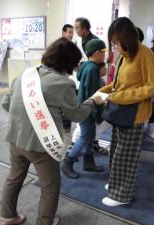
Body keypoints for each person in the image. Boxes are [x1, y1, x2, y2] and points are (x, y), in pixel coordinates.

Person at [0, 38, 104, 225]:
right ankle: (45, 222)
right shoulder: (63, 83)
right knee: (50, 185)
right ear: (68, 62)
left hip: (15, 138)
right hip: (41, 146)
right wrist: (93, 100)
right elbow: (78, 114)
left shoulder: (25, 74)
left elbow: (6, 103)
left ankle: (7, 217)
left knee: (14, 177)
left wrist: (25, 120)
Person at [99, 17, 154, 207]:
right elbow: (118, 84)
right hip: (120, 112)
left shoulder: (145, 54)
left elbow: (151, 87)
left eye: (117, 42)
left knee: (126, 157)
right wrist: (102, 91)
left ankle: (121, 195)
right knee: (116, 152)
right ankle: (116, 185)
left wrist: (118, 97)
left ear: (127, 38)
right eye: (113, 42)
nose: (115, 46)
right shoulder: (124, 55)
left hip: (135, 114)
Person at [61, 39, 107, 179]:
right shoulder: (93, 69)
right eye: (103, 52)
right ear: (97, 53)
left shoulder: (86, 66)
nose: (104, 56)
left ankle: (88, 162)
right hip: (88, 110)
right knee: (84, 138)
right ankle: (67, 162)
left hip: (84, 107)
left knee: (90, 136)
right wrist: (97, 112)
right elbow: (92, 94)